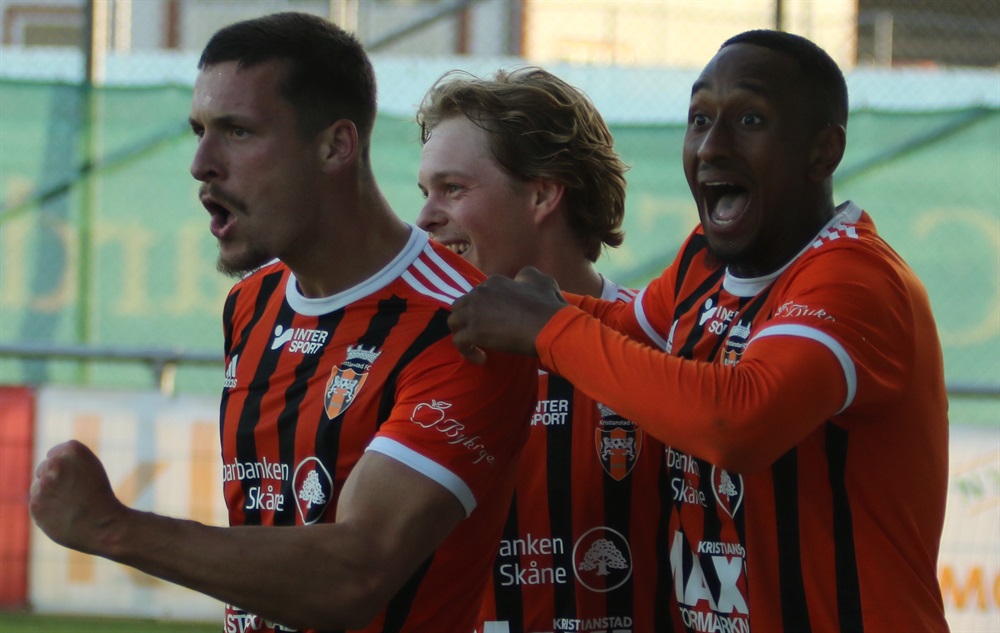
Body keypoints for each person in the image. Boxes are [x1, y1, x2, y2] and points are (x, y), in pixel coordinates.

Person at [28, 12, 538, 633]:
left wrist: (115, 527)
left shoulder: (461, 325)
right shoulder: (252, 302)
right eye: (200, 131)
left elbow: (355, 575)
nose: (201, 163)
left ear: (335, 146)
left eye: (238, 131)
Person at [447, 30, 950, 632]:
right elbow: (625, 329)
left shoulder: (854, 278)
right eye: (699, 119)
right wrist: (530, 306)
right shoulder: (704, 261)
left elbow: (738, 421)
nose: (711, 146)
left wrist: (548, 324)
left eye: (750, 119)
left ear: (822, 153)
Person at [415, 67, 670, 633]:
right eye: (425, 192)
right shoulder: (413, 354)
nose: (425, 218)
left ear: (542, 195)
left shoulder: (661, 345)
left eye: (452, 189)